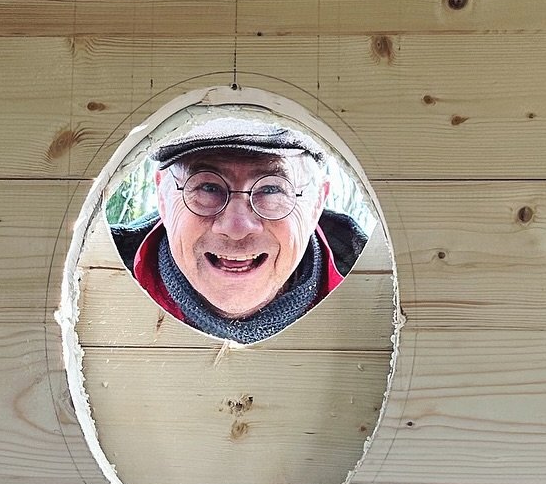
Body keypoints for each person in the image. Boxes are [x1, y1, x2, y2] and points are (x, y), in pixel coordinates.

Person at [110, 116, 369, 344]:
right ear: (163, 197)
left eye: (271, 189)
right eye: (207, 187)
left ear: (316, 204)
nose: (236, 228)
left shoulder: (377, 289)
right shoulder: (93, 275)